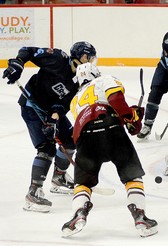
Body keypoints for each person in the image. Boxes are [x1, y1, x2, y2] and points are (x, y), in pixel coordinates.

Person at [62, 63, 157, 237]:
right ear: (95, 73)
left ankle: (79, 213)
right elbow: (115, 100)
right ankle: (140, 216)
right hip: (111, 130)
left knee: (82, 184)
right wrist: (131, 117)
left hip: (86, 139)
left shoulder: (75, 100)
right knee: (132, 176)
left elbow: (86, 120)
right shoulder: (104, 80)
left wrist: (128, 117)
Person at [2, 41, 97, 213]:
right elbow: (28, 51)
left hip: (49, 110)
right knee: (46, 148)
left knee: (70, 141)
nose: (90, 61)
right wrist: (18, 63)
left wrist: (53, 120)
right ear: (78, 56)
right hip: (32, 106)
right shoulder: (57, 59)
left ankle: (59, 178)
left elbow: (62, 105)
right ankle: (33, 193)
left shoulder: (79, 81)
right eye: (87, 57)